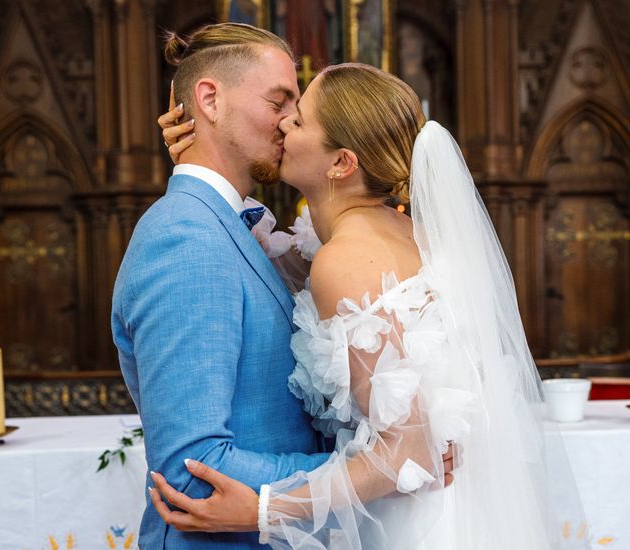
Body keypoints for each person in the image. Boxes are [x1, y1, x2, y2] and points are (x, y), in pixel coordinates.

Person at [150, 63, 588, 549]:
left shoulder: (346, 259)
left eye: (297, 121)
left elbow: (407, 449)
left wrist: (264, 508)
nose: (282, 123)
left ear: (341, 163)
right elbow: (260, 262)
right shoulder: (380, 233)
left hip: (415, 521)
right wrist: (203, 157)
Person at [113, 22, 458, 549]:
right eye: (280, 102)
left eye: (298, 113)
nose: (288, 124)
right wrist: (384, 467)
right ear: (209, 99)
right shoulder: (184, 239)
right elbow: (192, 470)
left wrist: (398, 456)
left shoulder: (234, 229)